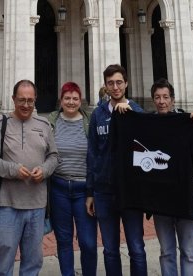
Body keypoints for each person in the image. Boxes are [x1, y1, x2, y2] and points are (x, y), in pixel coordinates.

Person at [0, 79, 59, 276]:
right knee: (4, 255)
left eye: (30, 101)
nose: (26, 105)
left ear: (35, 101)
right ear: (13, 99)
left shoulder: (43, 124)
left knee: (33, 259)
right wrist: (13, 170)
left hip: (37, 204)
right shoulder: (1, 123)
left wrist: (44, 170)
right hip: (8, 203)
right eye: (21, 100)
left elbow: (54, 156)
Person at [86, 64, 147, 276]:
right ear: (105, 86)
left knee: (136, 248)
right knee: (110, 250)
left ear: (126, 84)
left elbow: (146, 147)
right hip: (104, 191)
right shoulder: (98, 114)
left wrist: (130, 117)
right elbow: (92, 154)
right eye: (111, 83)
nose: (115, 87)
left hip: (130, 191)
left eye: (119, 82)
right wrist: (90, 192)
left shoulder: (137, 112)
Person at [150, 78, 193, 276]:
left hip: (184, 195)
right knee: (166, 251)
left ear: (173, 100)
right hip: (160, 199)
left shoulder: (185, 122)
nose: (162, 101)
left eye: (166, 97)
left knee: (189, 251)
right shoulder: (148, 124)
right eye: (157, 97)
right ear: (153, 100)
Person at [48, 82, 97, 276]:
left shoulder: (90, 122)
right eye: (67, 98)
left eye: (75, 98)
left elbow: (96, 157)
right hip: (58, 188)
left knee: (89, 242)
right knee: (64, 240)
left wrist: (92, 191)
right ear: (61, 100)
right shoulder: (51, 122)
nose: (71, 102)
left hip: (84, 191)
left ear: (81, 101)